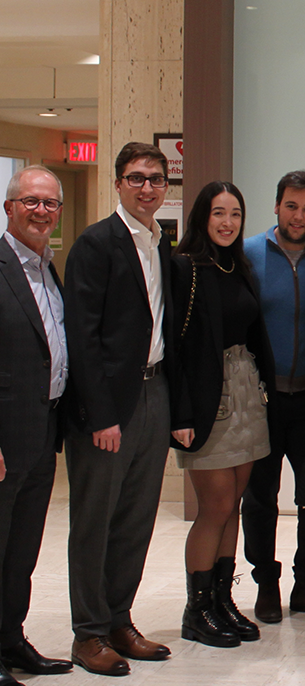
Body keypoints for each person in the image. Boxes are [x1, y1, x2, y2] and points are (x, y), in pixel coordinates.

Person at [64, 142, 176, 676]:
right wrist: (100, 413)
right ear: (118, 183)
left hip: (155, 392)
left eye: (155, 179)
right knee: (95, 520)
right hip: (109, 406)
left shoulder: (160, 242)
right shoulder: (95, 243)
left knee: (136, 517)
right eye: (136, 178)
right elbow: (81, 337)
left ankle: (118, 620)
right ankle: (87, 633)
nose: (147, 187)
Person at [169, 181, 274, 648]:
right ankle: (196, 610)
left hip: (246, 393)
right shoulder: (185, 267)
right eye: (218, 213)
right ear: (202, 217)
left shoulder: (238, 265)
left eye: (235, 214)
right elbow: (173, 345)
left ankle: (221, 601)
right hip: (207, 398)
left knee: (233, 504)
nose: (227, 222)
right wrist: (180, 413)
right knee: (213, 506)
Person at [241, 171, 305, 624]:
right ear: (277, 206)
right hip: (262, 401)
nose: (298, 216)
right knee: (260, 498)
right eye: (291, 206)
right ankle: (266, 583)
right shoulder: (248, 254)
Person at [0, 166, 74, 681]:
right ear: (9, 207)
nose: (41, 212)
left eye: (50, 204)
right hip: (6, 437)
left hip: (42, 431)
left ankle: (11, 639)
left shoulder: (48, 269)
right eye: (31, 201)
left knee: (22, 549)